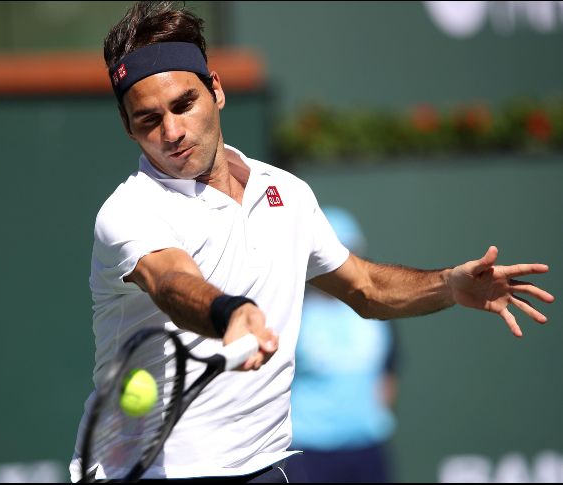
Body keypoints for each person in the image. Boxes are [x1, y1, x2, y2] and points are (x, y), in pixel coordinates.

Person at [69, 2, 554, 482]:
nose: (172, 132)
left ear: (215, 90)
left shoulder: (288, 194)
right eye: (149, 120)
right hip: (145, 473)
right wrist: (230, 313)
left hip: (262, 466)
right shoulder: (129, 211)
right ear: (128, 126)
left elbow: (365, 288)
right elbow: (172, 281)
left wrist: (447, 285)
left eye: (183, 105)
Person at [289, 206, 398, 483]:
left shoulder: (378, 314)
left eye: (346, 254)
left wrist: (368, 420)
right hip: (308, 450)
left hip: (368, 447)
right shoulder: (291, 314)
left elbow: (389, 371)